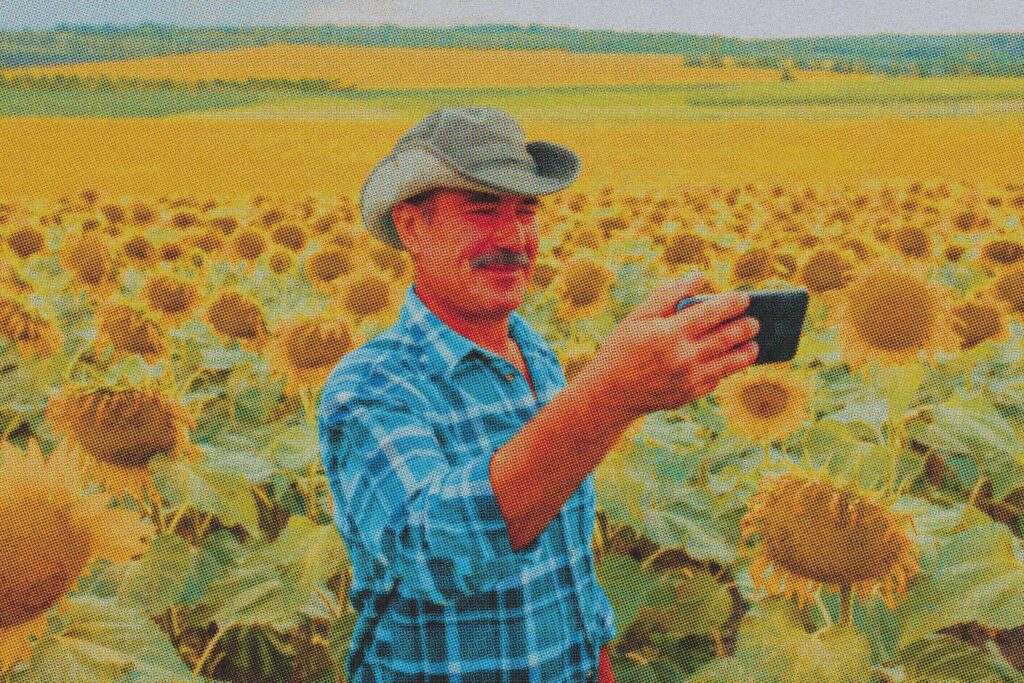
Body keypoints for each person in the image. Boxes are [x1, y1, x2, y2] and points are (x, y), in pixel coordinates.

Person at [317, 106, 760, 683]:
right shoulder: (371, 386)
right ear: (412, 228)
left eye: (525, 211)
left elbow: (568, 567)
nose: (512, 237)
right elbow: (435, 552)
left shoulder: (537, 357)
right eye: (481, 211)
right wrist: (608, 395)